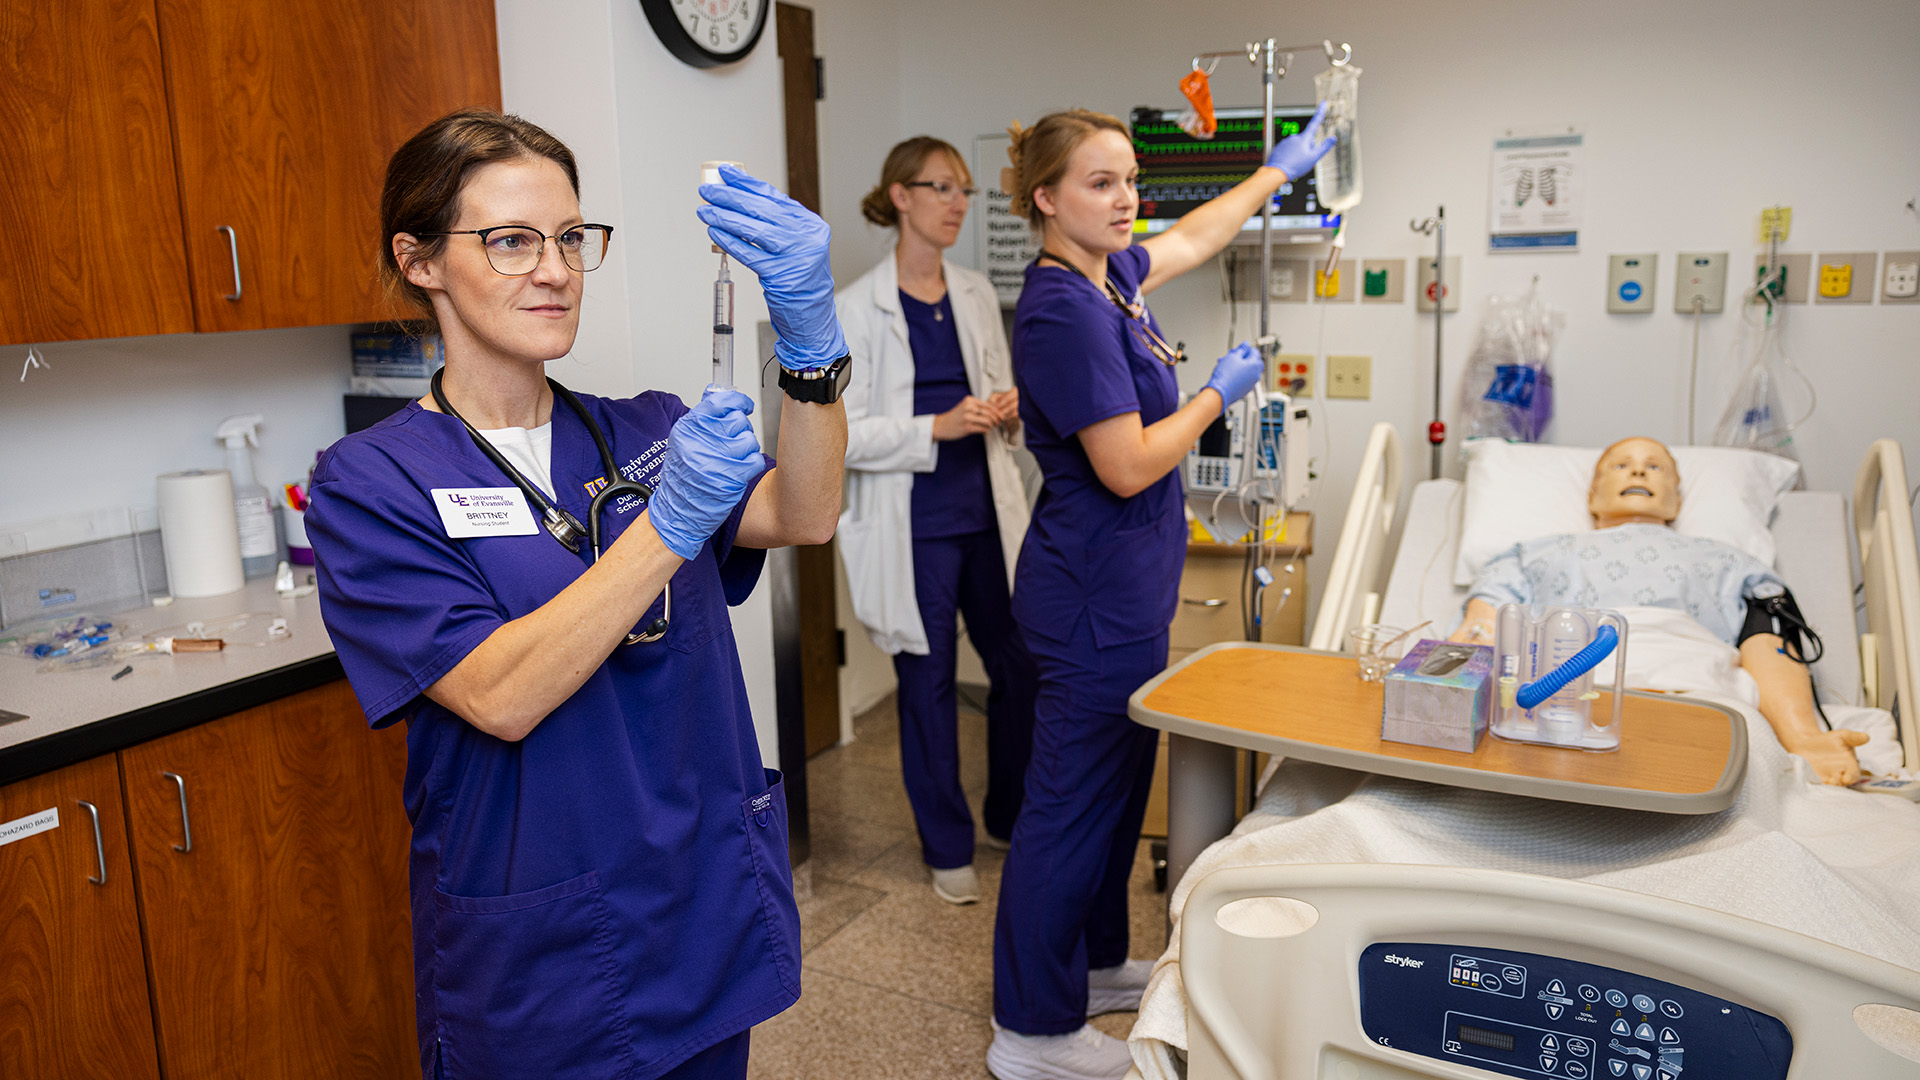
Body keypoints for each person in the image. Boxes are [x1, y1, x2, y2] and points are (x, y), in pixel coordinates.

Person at [305, 109, 852, 1080]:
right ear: (420, 260)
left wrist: (812, 354)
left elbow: (805, 513)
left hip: (700, 905)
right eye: (511, 241)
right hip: (545, 943)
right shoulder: (371, 483)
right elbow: (501, 693)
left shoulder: (645, 429)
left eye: (569, 237)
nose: (555, 270)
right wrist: (668, 526)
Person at [987, 106, 1333, 1080]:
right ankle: (1030, 1032)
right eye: (1100, 182)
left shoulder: (1111, 280)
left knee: (1110, 793)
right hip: (1088, 600)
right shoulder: (1062, 312)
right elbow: (1130, 463)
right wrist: (1217, 395)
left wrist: (1276, 173)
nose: (1127, 199)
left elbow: (1195, 235)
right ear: (1045, 198)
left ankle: (1096, 963)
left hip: (1124, 593)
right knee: (1067, 810)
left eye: (1131, 179)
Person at [836, 136, 1039, 905]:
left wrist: (1009, 413)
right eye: (942, 188)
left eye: (964, 191)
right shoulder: (856, 307)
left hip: (987, 513)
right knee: (926, 683)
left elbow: (999, 394)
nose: (958, 204)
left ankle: (1008, 815)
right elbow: (844, 433)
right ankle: (946, 846)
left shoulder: (977, 292)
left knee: (1021, 666)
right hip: (913, 523)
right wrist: (936, 427)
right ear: (901, 196)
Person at [1449, 437, 1871, 785]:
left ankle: (1796, 745)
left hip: (1698, 688)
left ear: (1678, 500)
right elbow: (1483, 626)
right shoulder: (1533, 553)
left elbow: (1768, 640)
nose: (1638, 473)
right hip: (1570, 688)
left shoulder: (1729, 561)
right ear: (1592, 495)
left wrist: (1803, 733)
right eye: (1620, 466)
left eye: (1655, 467)